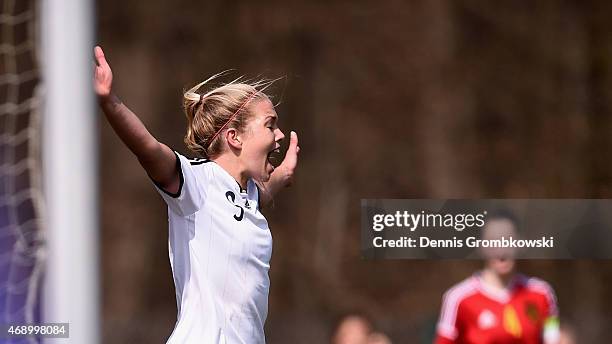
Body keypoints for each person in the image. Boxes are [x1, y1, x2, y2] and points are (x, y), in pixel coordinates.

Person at [93, 46, 300, 343]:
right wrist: (110, 101)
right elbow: (149, 149)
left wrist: (284, 175)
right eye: (270, 125)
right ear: (235, 137)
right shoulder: (197, 183)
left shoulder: (248, 195)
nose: (279, 135)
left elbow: (252, 201)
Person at [435, 211, 560, 344]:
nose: (501, 248)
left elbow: (553, 337)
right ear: (480, 246)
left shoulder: (542, 293)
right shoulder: (458, 298)